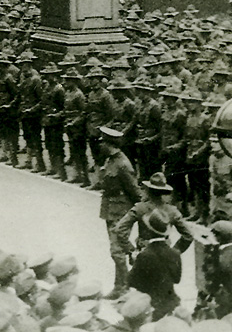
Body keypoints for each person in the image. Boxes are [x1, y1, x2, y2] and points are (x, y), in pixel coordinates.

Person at [97, 125, 142, 298]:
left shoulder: (123, 164)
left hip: (121, 211)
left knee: (117, 251)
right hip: (110, 209)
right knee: (118, 250)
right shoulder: (110, 160)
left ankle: (122, 288)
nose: (100, 145)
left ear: (109, 144)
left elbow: (134, 190)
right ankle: (121, 284)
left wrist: (141, 212)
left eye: (102, 142)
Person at [127, 209, 182, 320]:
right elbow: (177, 279)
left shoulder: (144, 255)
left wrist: (135, 261)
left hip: (150, 305)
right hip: (170, 303)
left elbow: (131, 281)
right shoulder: (175, 253)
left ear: (149, 231)